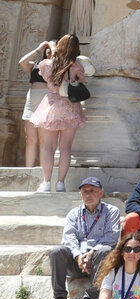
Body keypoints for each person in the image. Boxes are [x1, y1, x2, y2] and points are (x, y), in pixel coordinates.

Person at [44, 177, 120, 299]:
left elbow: (111, 237)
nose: (88, 194)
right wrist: (78, 256)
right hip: (77, 262)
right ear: (80, 195)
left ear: (100, 193)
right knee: (57, 251)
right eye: (85, 191)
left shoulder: (111, 211)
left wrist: (92, 253)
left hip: (99, 260)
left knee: (105, 250)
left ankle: (90, 297)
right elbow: (69, 237)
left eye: (92, 190)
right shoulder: (73, 214)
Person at [31, 34, 87, 192]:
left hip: (52, 105)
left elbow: (45, 73)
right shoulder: (76, 66)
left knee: (48, 147)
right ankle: (61, 183)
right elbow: (83, 81)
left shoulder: (47, 64)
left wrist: (53, 48)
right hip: (71, 106)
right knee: (66, 147)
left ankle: (46, 182)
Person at [18, 40, 54, 168]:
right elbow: (22, 62)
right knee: (30, 139)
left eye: (52, 47)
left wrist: (55, 51)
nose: (49, 49)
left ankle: (44, 171)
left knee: (44, 139)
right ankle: (28, 169)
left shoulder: (59, 65)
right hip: (31, 99)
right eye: (47, 47)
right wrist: (38, 49)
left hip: (46, 100)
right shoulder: (37, 64)